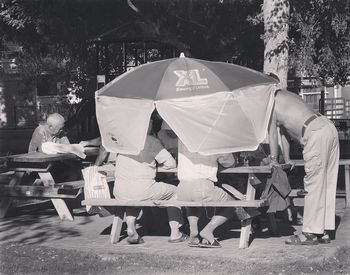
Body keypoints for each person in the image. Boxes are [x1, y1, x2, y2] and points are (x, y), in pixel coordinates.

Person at [86, 120, 187, 244]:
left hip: (120, 191)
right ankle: (175, 233)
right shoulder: (151, 141)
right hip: (142, 190)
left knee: (133, 198)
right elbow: (171, 163)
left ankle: (131, 228)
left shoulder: (124, 142)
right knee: (175, 192)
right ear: (148, 126)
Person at [268, 89, 339, 245]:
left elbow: (272, 133)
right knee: (327, 182)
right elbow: (285, 132)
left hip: (314, 133)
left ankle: (309, 234)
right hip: (327, 127)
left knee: (313, 184)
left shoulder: (269, 102)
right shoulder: (287, 96)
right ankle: (323, 231)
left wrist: (273, 159)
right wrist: (287, 158)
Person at [176, 139, 241, 248]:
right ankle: (208, 230)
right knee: (232, 204)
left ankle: (194, 231)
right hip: (203, 186)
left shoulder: (183, 138)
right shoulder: (214, 139)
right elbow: (229, 162)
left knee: (192, 202)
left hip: (182, 187)